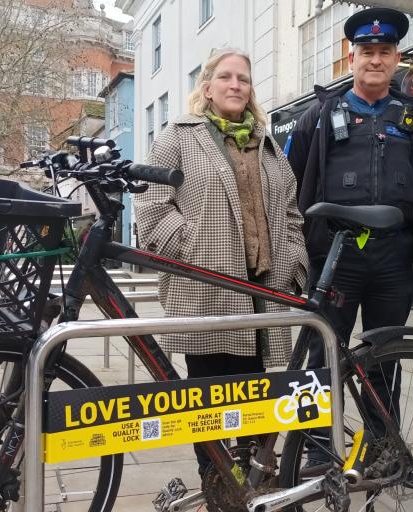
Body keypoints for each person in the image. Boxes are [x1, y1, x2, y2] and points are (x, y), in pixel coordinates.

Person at [134, 48, 309, 478]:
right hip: (204, 287)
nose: (236, 85)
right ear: (207, 87)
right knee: (206, 400)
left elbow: (290, 212)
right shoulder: (178, 135)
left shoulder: (267, 144)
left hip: (260, 291)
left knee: (251, 394)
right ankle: (215, 483)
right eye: (226, 77)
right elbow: (151, 205)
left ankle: (251, 478)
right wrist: (192, 251)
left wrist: (294, 264)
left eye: (244, 79)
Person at [285, 7, 413, 461]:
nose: (375, 59)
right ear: (350, 57)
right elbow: (293, 182)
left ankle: (382, 443)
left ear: (397, 59)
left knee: (384, 358)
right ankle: (313, 449)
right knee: (320, 355)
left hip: (393, 260)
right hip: (334, 257)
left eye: (385, 52)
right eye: (367, 52)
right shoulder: (319, 114)